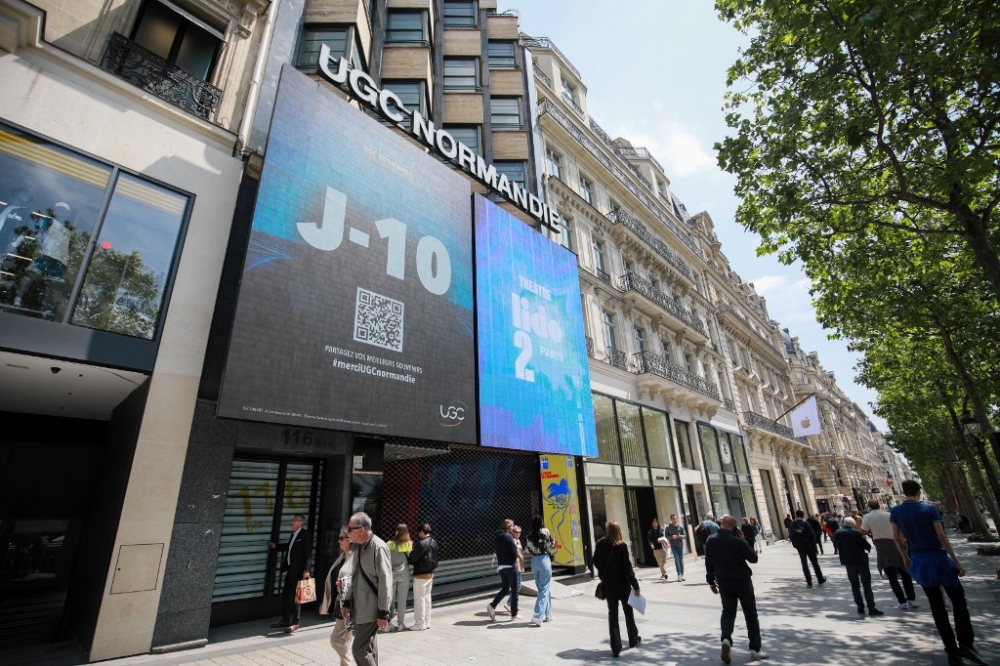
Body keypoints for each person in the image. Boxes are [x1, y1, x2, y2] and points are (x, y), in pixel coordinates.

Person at [891, 480, 987, 666]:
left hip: (920, 560)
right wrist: (956, 560)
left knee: (937, 607)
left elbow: (897, 537)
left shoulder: (895, 512)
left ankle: (952, 652)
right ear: (919, 492)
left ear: (903, 492)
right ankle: (966, 643)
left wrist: (905, 556)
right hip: (939, 559)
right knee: (959, 601)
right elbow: (941, 536)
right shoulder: (929, 509)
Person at [705, 515, 768, 663]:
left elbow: (709, 563)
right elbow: (753, 558)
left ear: (721, 524)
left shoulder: (711, 540)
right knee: (751, 615)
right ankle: (755, 649)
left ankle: (726, 638)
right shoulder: (737, 541)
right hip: (743, 581)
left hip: (724, 582)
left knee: (728, 612)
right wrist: (744, 540)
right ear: (734, 527)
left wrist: (711, 581)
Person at [341, 512, 392, 666]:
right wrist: (347, 602)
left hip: (371, 609)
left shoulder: (379, 547)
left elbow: (385, 582)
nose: (347, 532)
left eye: (350, 529)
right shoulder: (359, 547)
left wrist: (383, 612)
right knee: (369, 647)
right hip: (359, 607)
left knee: (359, 650)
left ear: (361, 529)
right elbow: (354, 575)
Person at [593, 521, 641, 657]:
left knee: (613, 615)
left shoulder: (601, 544)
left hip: (609, 585)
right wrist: (636, 586)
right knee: (628, 613)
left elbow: (594, 560)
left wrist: (603, 572)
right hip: (623, 585)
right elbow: (628, 568)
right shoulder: (622, 546)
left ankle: (615, 646)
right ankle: (633, 638)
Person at [860, 499, 918, 610]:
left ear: (869, 507)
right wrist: (903, 540)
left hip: (882, 545)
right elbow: (899, 529)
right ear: (879, 506)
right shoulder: (888, 514)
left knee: (891, 576)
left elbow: (864, 531)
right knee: (905, 572)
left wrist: (872, 531)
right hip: (895, 542)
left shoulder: (867, 517)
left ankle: (902, 601)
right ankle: (912, 598)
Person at [268, 514, 312, 632]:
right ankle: (285, 619)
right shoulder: (293, 534)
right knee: (286, 595)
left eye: (295, 520)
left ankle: (296, 622)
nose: (292, 522)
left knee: (297, 597)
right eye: (293, 520)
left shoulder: (304, 535)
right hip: (290, 570)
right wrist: (276, 546)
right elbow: (289, 547)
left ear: (301, 522)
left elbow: (308, 554)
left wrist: (306, 570)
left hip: (298, 572)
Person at [833, 517, 884, 617]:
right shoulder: (855, 532)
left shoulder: (838, 532)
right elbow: (865, 545)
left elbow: (836, 545)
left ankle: (860, 607)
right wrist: (868, 548)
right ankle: (871, 607)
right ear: (853, 524)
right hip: (861, 561)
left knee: (854, 585)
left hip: (848, 562)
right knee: (866, 585)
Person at [320, 526, 354, 666]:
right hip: (340, 602)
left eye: (341, 538)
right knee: (346, 638)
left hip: (349, 604)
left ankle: (349, 661)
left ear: (350, 539)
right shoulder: (343, 556)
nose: (338, 541)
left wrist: (344, 584)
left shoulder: (356, 558)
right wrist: (326, 602)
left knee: (335, 639)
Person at [524, 515, 556, 626]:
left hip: (534, 561)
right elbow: (550, 546)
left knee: (542, 588)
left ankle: (549, 614)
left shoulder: (529, 535)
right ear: (541, 522)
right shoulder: (545, 531)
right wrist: (553, 542)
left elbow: (528, 550)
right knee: (544, 589)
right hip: (544, 560)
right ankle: (537, 616)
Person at [407, 522, 438, 631]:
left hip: (420, 575)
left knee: (419, 600)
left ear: (421, 532)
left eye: (418, 532)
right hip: (430, 574)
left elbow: (413, 558)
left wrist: (409, 554)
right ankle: (427, 621)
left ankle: (420, 623)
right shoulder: (434, 542)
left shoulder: (421, 544)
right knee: (427, 599)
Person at [486, 519, 519, 622]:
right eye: (513, 525)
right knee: (514, 590)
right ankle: (514, 614)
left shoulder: (497, 537)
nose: (514, 527)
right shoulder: (509, 537)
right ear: (509, 527)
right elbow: (515, 553)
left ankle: (492, 605)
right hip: (510, 566)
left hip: (501, 567)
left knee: (505, 589)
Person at [789, 510, 825, 588]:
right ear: (803, 515)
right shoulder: (806, 523)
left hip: (800, 547)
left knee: (804, 564)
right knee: (815, 563)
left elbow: (791, 536)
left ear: (796, 515)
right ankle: (820, 579)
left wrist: (796, 544)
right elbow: (813, 535)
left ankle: (809, 582)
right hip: (809, 546)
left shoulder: (793, 524)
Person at [386, 523, 412, 632]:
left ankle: (388, 622)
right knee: (402, 600)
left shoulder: (389, 544)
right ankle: (401, 624)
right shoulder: (409, 544)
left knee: (389, 600)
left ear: (396, 531)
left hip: (391, 574)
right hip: (404, 575)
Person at [505, 524, 524, 614]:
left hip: (519, 566)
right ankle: (510, 603)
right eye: (516, 532)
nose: (517, 534)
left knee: (518, 585)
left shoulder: (518, 541)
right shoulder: (511, 541)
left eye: (519, 532)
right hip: (514, 566)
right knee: (517, 586)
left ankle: (513, 604)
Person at [664, 514, 686, 580]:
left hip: (680, 545)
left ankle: (682, 575)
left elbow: (684, 535)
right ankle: (679, 574)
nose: (674, 520)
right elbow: (666, 536)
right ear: (671, 519)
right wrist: (671, 537)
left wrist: (680, 536)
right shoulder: (668, 527)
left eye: (675, 518)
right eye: (673, 519)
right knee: (677, 560)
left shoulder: (680, 527)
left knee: (681, 561)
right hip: (673, 546)